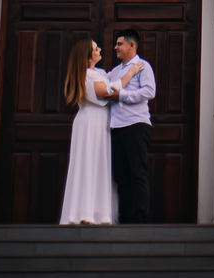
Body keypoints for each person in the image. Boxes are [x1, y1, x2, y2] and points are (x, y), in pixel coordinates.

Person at [58, 37, 139, 226]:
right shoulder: (86, 74)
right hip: (90, 123)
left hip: (101, 122)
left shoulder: (100, 72)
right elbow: (107, 93)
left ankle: (99, 212)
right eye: (95, 49)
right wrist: (130, 73)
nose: (100, 49)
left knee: (100, 164)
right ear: (87, 57)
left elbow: (109, 83)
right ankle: (84, 213)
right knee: (88, 164)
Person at [107, 28, 156, 223]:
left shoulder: (143, 66)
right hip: (116, 127)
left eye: (119, 44)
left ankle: (140, 218)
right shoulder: (116, 71)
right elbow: (109, 91)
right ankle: (125, 217)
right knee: (121, 175)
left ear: (131, 45)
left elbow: (149, 91)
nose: (115, 47)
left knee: (137, 172)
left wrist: (123, 96)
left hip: (136, 124)